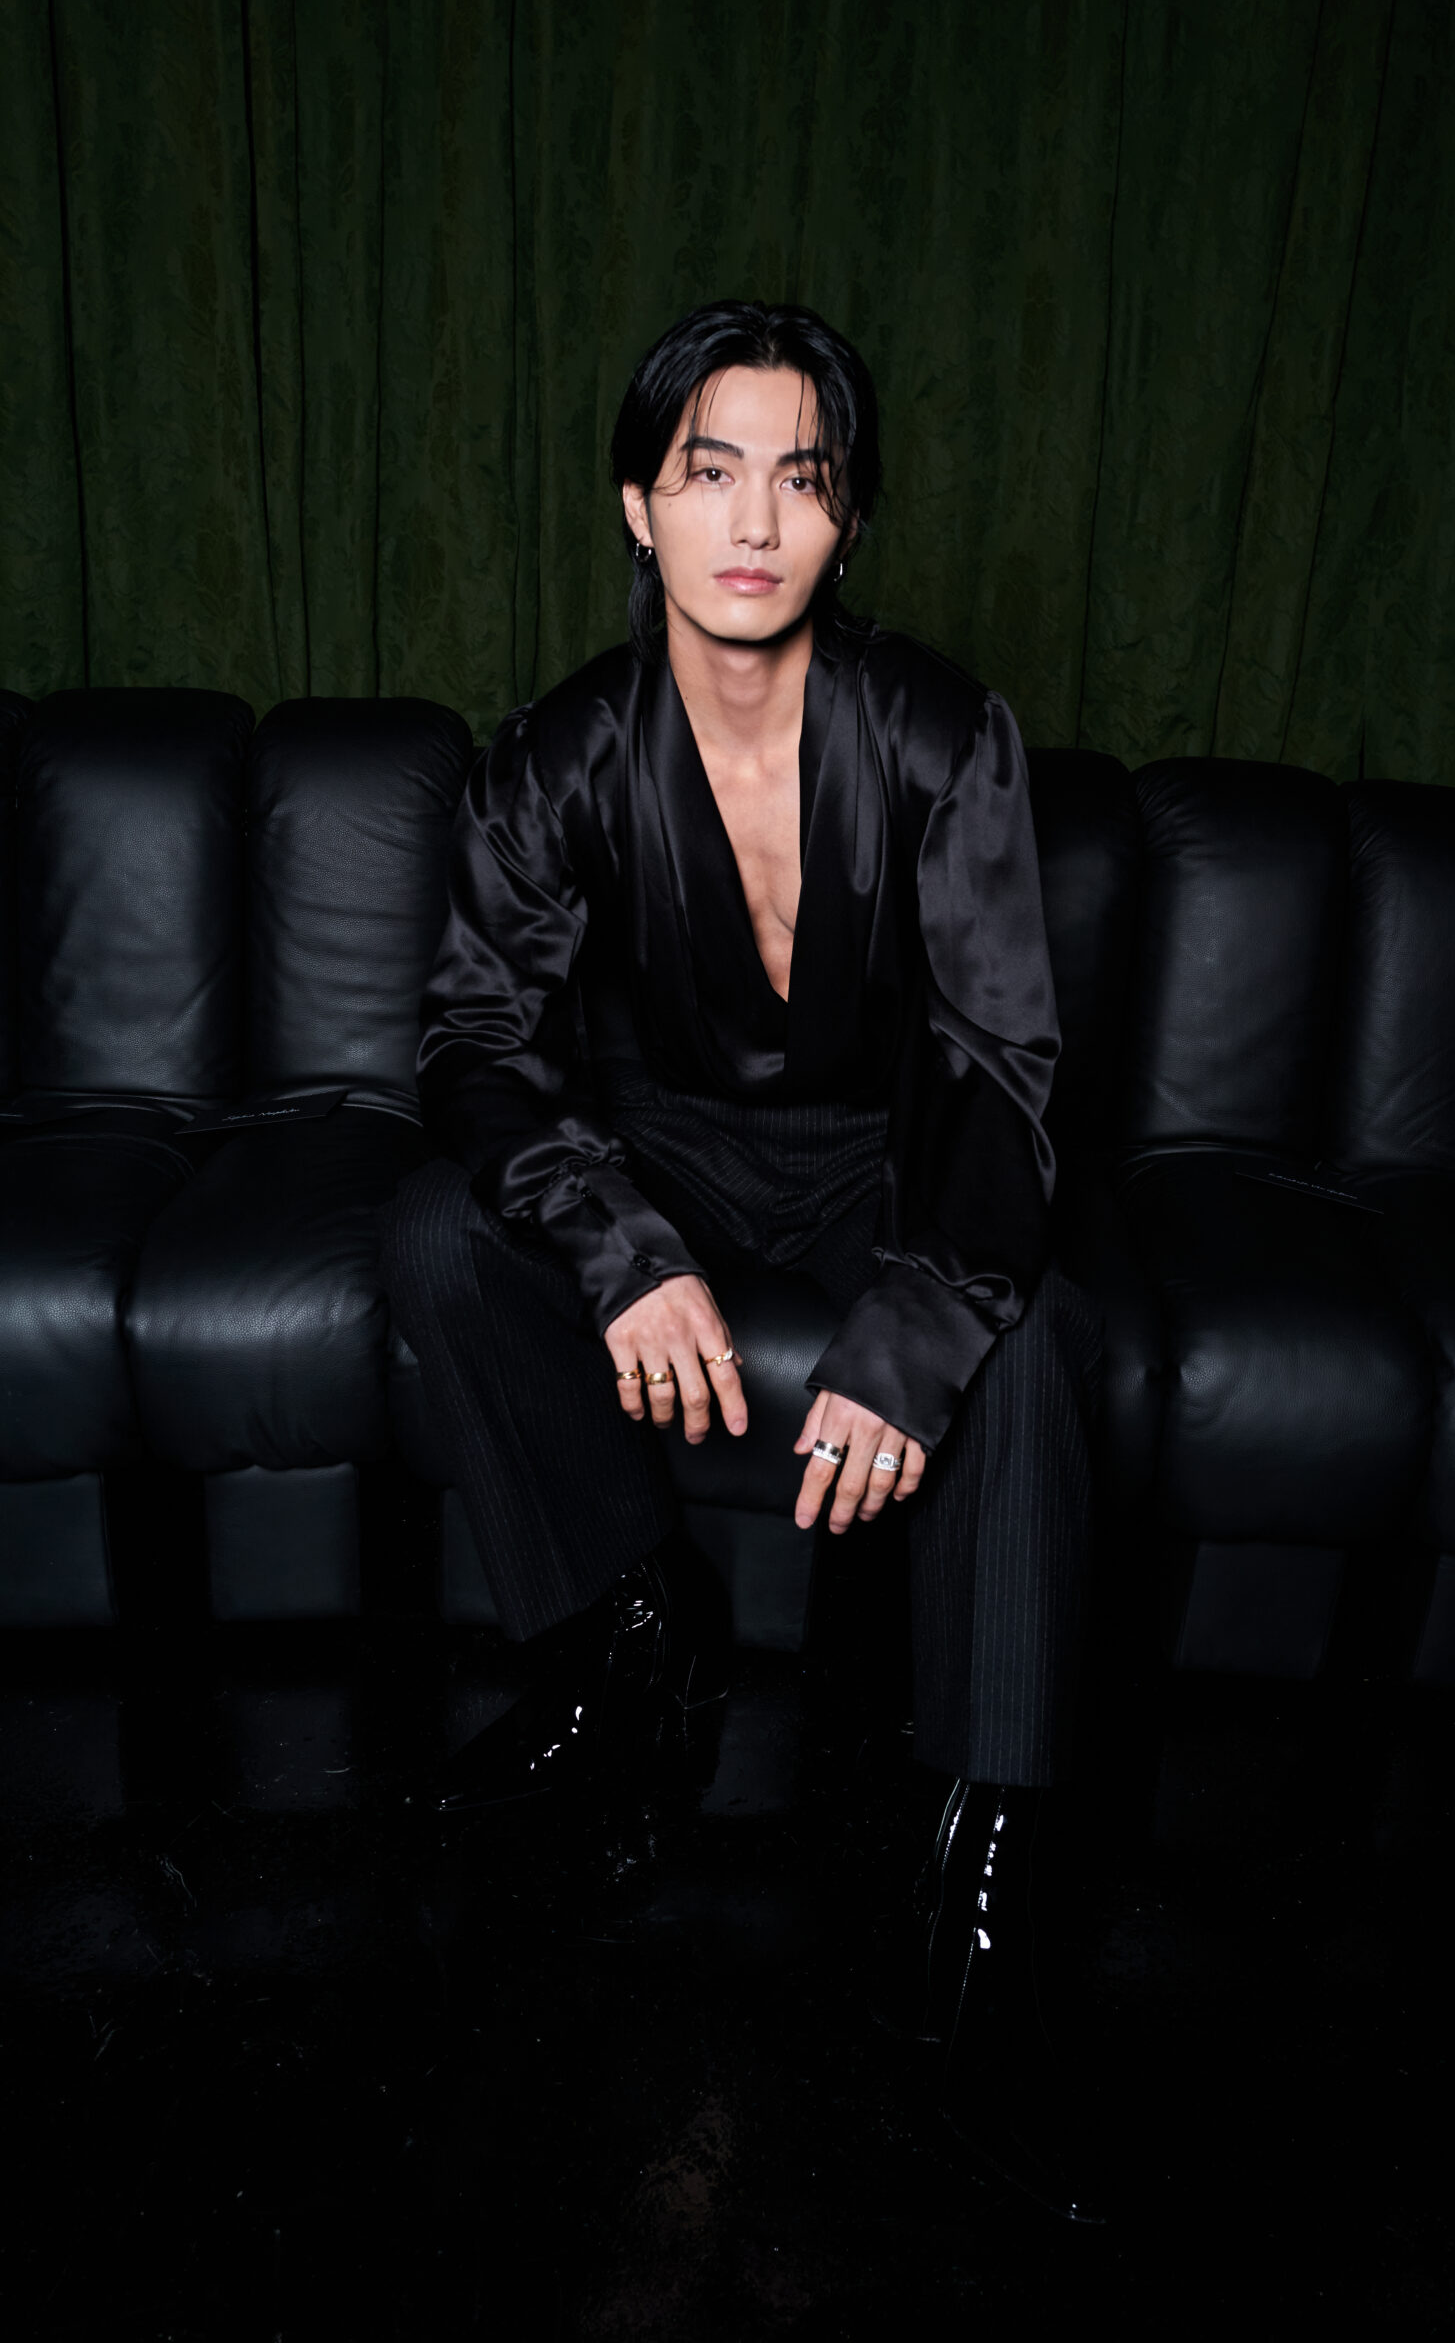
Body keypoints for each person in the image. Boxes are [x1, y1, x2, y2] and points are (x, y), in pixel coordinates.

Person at [381, 301, 1103, 2221]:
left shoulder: (942, 732)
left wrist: (921, 1320)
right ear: (641, 504)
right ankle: (631, 1651)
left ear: (847, 518)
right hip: (671, 1148)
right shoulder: (559, 752)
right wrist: (621, 1244)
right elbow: (474, 1042)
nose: (756, 522)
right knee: (437, 1229)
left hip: (888, 1151)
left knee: (1034, 1329)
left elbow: (1001, 1065)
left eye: (803, 476)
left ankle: (986, 1856)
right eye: (711, 472)